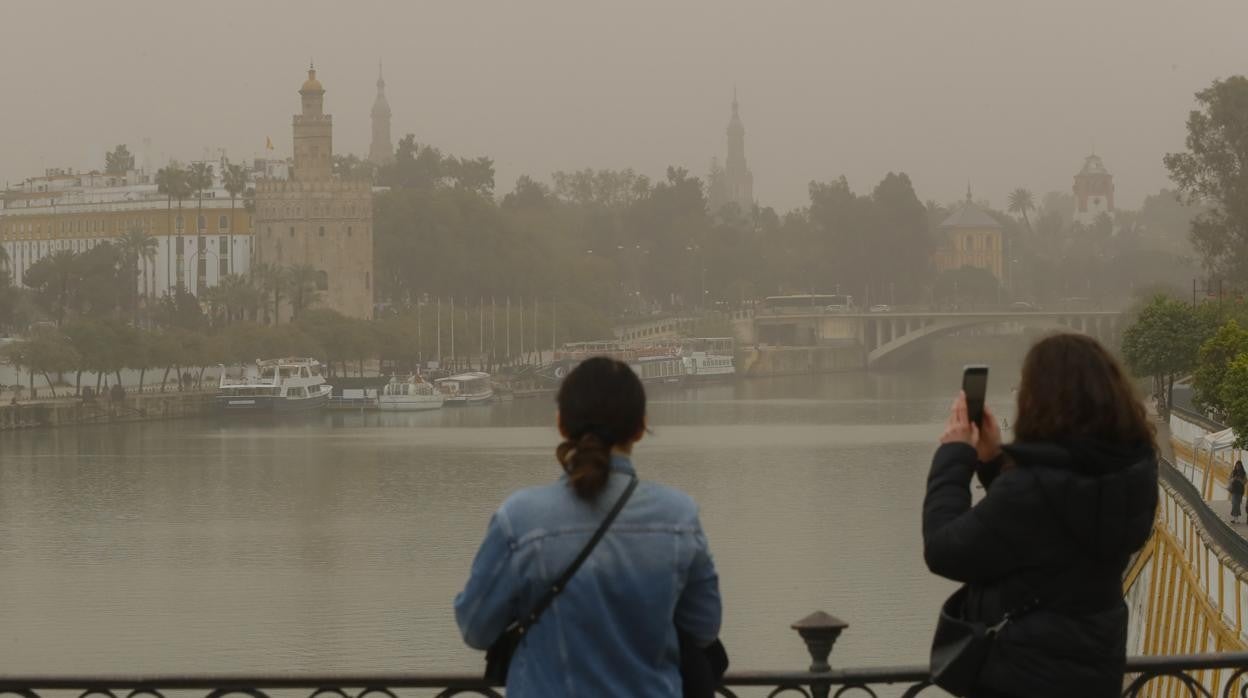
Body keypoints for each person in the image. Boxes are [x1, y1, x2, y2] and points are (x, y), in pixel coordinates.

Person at [455, 356, 722, 697]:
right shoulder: (679, 517)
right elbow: (703, 628)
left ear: (562, 425)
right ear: (640, 427)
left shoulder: (520, 519)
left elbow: (475, 628)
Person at [923, 333, 1158, 698]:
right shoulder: (1131, 477)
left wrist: (955, 455)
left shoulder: (1033, 490)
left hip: (1023, 677)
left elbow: (944, 549)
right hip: (1094, 674)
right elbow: (1051, 533)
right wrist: (995, 461)